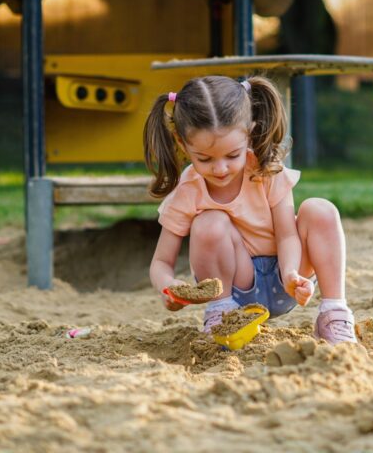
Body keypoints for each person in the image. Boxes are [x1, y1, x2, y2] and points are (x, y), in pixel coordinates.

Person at [142, 75, 356, 345]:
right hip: (234, 290)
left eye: (233, 155)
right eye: (205, 159)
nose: (220, 169)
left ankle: (334, 313)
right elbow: (161, 262)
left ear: (249, 134)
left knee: (320, 210)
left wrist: (291, 273)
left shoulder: (266, 169)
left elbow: (288, 235)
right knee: (209, 223)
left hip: (286, 279)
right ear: (183, 144)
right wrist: (168, 288)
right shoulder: (188, 190)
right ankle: (221, 314)